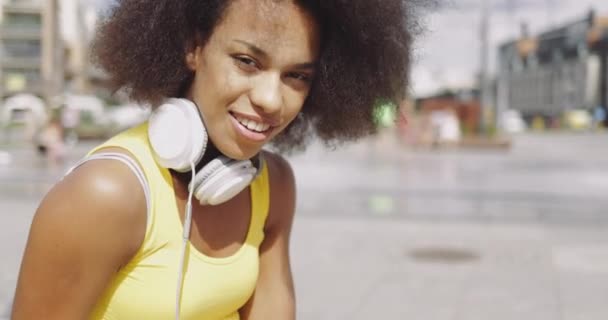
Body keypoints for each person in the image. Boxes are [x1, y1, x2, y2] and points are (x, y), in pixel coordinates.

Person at [11, 0, 413, 319]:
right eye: (247, 61)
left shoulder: (273, 187)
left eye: (297, 76)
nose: (271, 99)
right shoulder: (106, 195)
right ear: (195, 47)